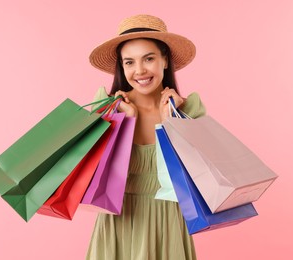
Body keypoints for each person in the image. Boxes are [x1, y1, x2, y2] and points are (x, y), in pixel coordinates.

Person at [86, 14, 206, 260]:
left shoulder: (188, 111)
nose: (139, 70)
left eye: (148, 58)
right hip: (117, 222)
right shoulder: (107, 110)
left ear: (165, 60)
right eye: (129, 62)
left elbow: (199, 177)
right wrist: (125, 121)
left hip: (169, 222)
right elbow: (95, 175)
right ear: (122, 67)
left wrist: (171, 122)